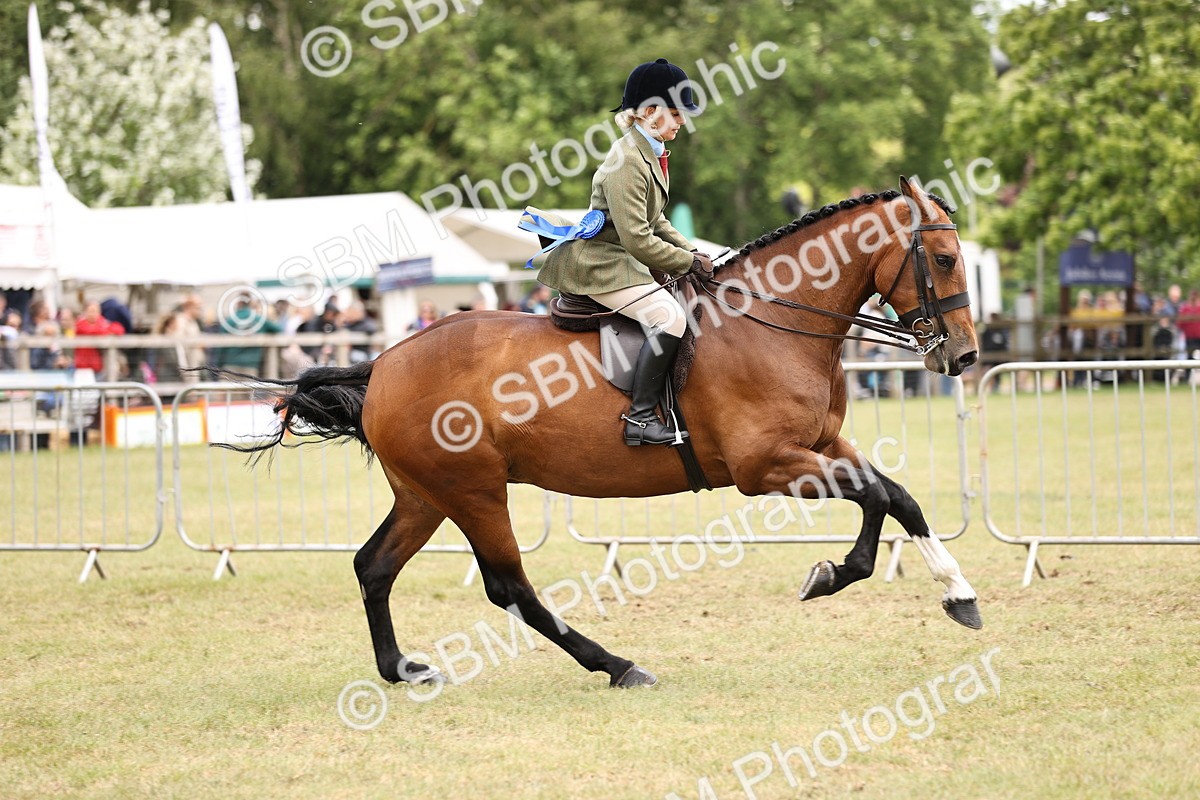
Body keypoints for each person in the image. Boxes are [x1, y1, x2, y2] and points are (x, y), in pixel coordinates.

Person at [534, 58, 712, 446]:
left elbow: (657, 220)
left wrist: (694, 252)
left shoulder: (649, 152)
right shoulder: (627, 161)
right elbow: (636, 238)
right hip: (602, 264)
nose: (681, 122)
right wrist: (686, 262)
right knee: (670, 318)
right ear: (649, 112)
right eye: (676, 113)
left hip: (623, 259)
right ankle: (641, 419)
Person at [74, 301, 125, 374]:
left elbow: (119, 329)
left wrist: (105, 330)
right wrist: (107, 331)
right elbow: (92, 331)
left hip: (98, 366)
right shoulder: (80, 324)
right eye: (90, 311)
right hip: (83, 366)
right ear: (85, 312)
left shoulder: (102, 322)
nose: (92, 314)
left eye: (95, 311)